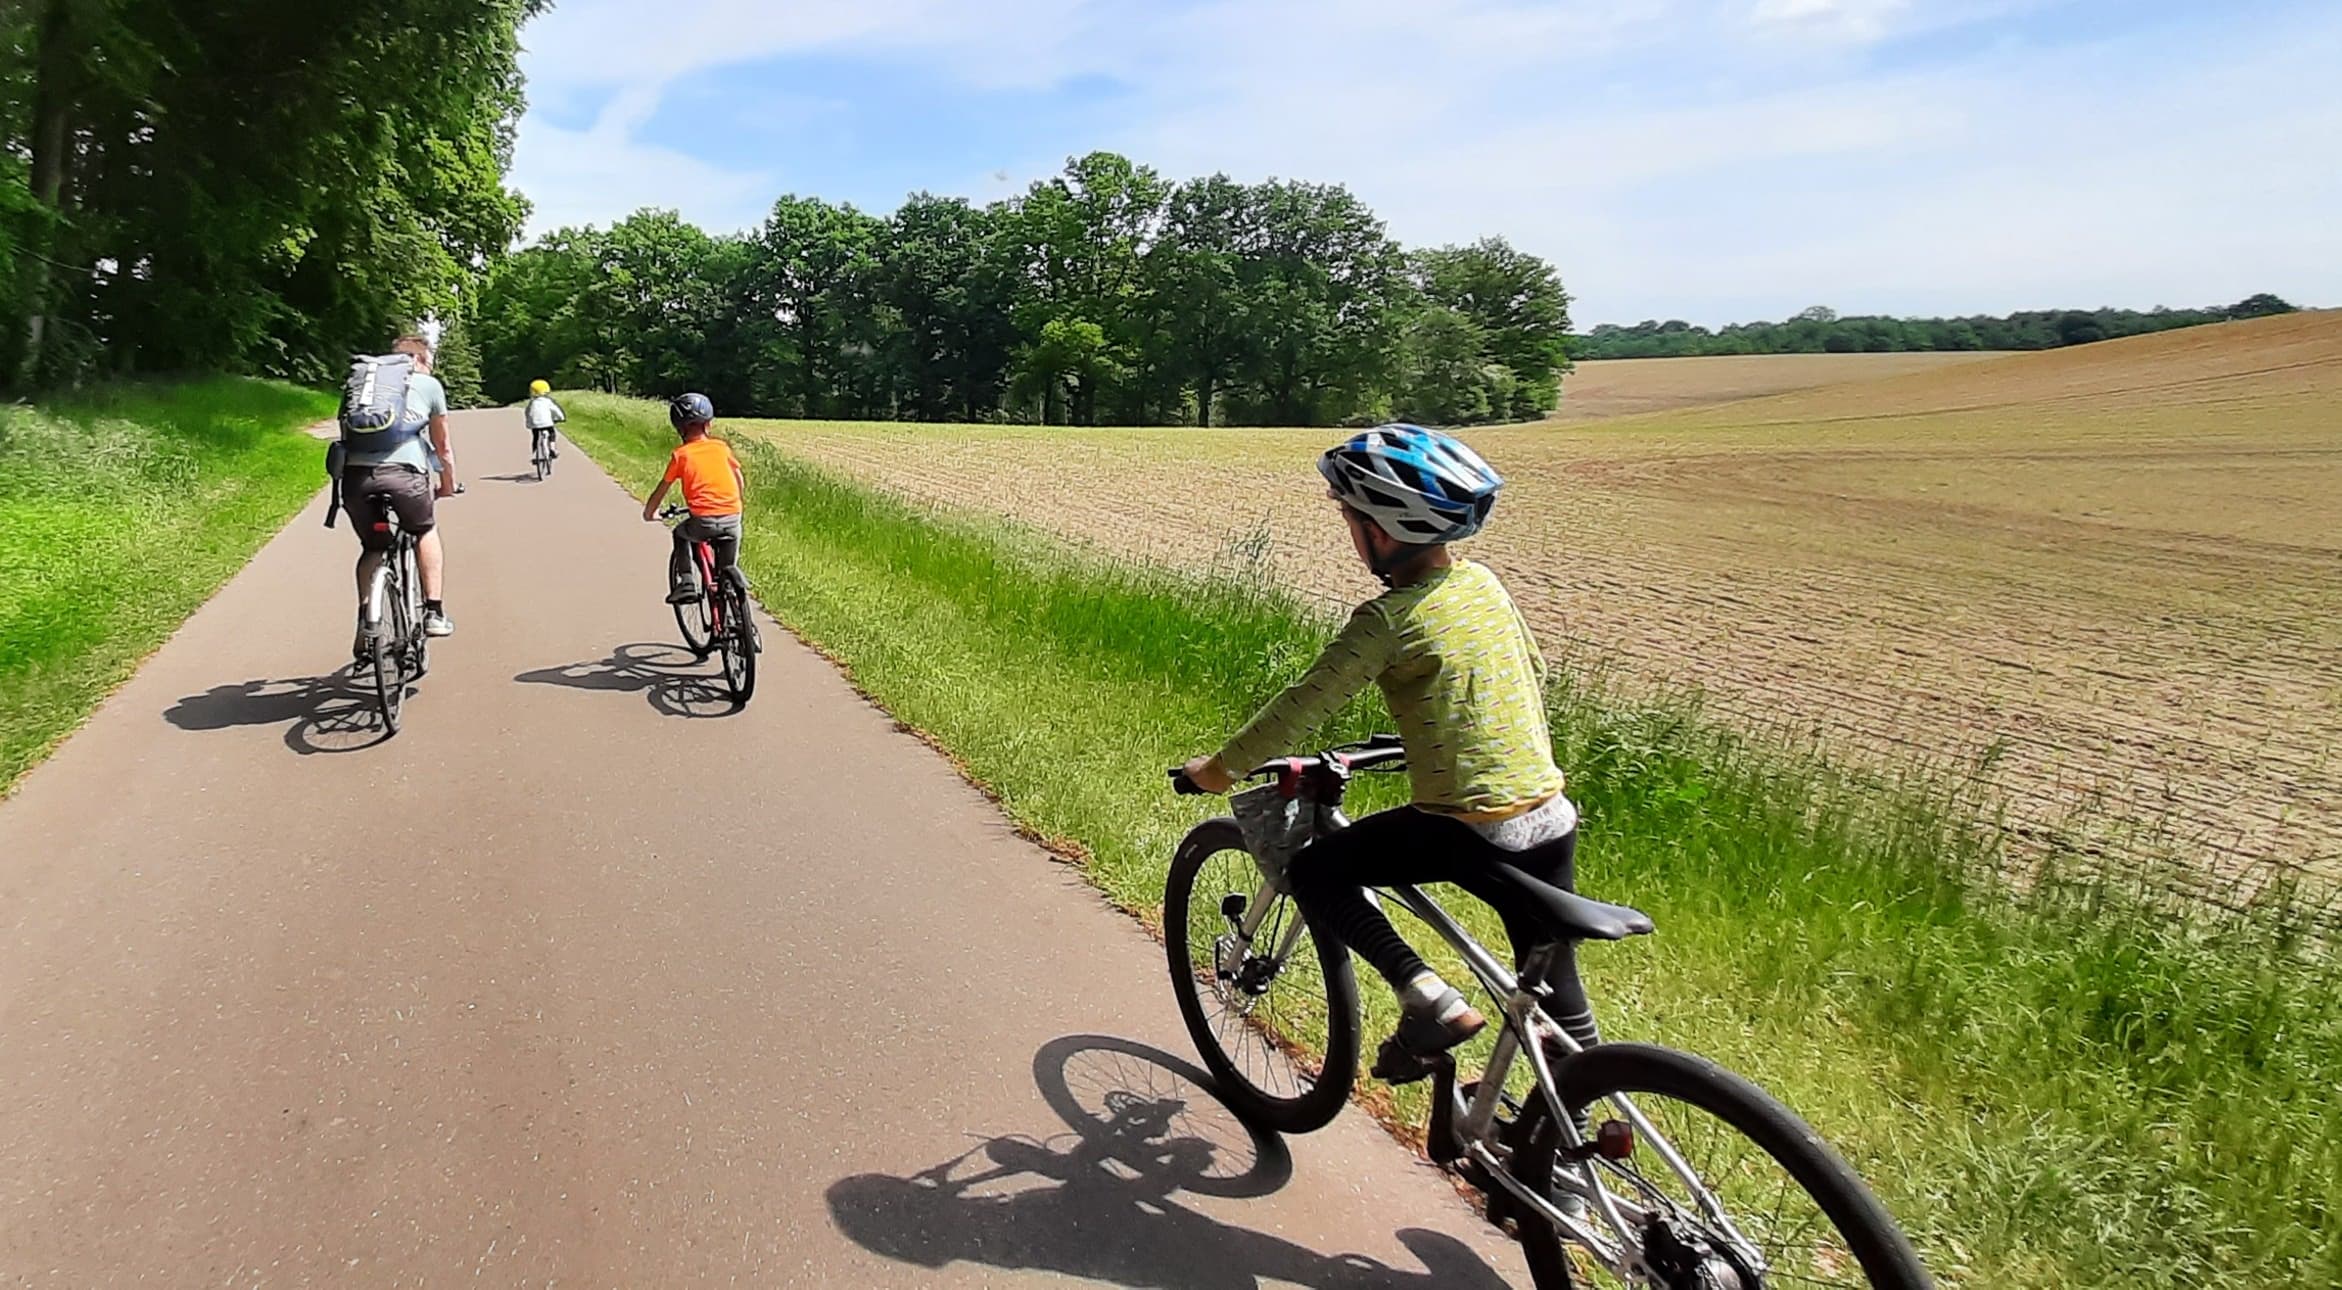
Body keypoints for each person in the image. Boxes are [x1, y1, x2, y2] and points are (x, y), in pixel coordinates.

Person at [1176, 424, 1589, 1080]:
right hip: (1551, 815)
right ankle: (1563, 1146)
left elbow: (1300, 707)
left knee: (1314, 872)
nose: (1348, 530)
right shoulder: (1483, 585)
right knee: (1554, 986)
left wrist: (1217, 771)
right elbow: (1517, 677)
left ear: (1385, 528)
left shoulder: (1388, 620)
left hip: (1472, 827)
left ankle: (1428, 999)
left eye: (1351, 517)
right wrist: (1420, 744)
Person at [342, 334, 456, 655]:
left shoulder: (364, 387)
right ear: (420, 360)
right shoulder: (429, 385)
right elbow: (443, 446)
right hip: (406, 478)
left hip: (357, 480)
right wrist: (447, 484)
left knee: (373, 546)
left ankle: (367, 620)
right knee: (424, 529)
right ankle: (433, 612)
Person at [641, 392, 746, 603]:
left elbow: (663, 487)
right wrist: (736, 502)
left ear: (679, 428)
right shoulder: (721, 448)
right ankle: (736, 616)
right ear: (708, 424)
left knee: (681, 534)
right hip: (733, 517)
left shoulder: (681, 455)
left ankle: (687, 581)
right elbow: (739, 479)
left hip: (703, 521)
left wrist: (650, 512)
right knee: (727, 568)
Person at [523, 379, 565, 461]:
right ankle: (552, 448)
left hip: (534, 424)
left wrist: (528, 421)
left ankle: (535, 452)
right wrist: (561, 418)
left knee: (535, 436)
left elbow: (527, 412)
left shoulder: (532, 402)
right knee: (552, 433)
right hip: (547, 423)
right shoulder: (547, 401)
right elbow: (556, 410)